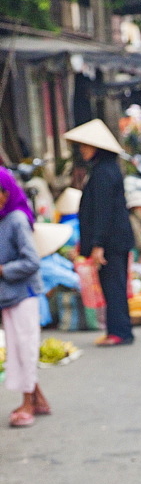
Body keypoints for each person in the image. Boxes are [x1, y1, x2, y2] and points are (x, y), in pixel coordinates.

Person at [63, 119, 135, 347]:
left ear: (97, 147)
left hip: (111, 241)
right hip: (114, 240)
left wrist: (97, 244)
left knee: (113, 286)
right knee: (113, 285)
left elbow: (103, 212)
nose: (82, 150)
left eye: (85, 146)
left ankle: (120, 332)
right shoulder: (104, 169)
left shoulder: (104, 172)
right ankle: (118, 330)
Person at [0, 168, 50, 427]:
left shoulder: (17, 219)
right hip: (8, 295)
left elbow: (32, 261)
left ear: (6, 193)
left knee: (25, 348)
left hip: (24, 293)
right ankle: (39, 399)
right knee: (18, 349)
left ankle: (28, 404)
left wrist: (3, 270)